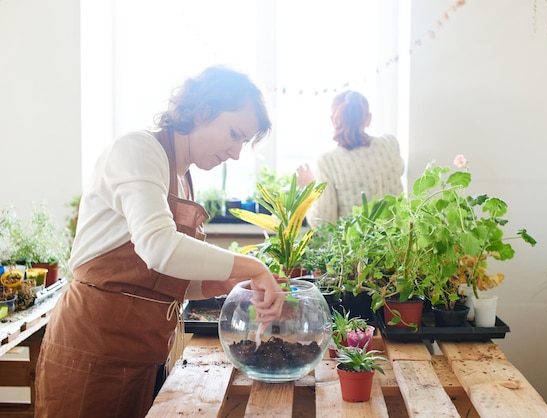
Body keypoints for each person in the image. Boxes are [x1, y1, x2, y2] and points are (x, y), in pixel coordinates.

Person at [35, 66, 284, 418]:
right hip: (95, 351)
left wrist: (229, 283)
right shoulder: (139, 150)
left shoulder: (182, 176)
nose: (236, 153)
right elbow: (159, 248)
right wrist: (254, 267)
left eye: (243, 141)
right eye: (234, 134)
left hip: (146, 354)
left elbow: (168, 278)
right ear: (202, 112)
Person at [296, 90, 404, 227]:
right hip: (399, 245)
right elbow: (400, 169)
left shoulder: (328, 162)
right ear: (368, 119)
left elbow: (322, 224)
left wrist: (309, 189)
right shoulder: (390, 144)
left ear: (333, 120)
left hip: (358, 247)